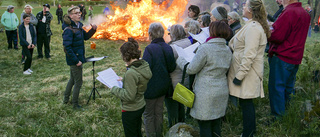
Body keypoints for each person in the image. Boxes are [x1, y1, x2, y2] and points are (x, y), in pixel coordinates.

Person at [177, 21, 232, 137]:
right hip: (221, 89)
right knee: (216, 123)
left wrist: (181, 60)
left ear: (213, 32)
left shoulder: (205, 48)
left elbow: (191, 69)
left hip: (205, 92)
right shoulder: (227, 49)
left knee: (205, 124)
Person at [227, 0, 269, 136]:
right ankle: (249, 132)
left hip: (248, 73)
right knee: (245, 103)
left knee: (246, 103)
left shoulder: (254, 29)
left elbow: (249, 55)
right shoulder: (250, 25)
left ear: (250, 9)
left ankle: (248, 133)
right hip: (245, 71)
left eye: (245, 5)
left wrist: (239, 76)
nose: (243, 7)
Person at [268, 0, 310, 118]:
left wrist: (268, 30)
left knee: (277, 87)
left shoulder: (289, 12)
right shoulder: (304, 13)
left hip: (283, 56)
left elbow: (277, 36)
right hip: (295, 56)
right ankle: (286, 112)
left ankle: (278, 117)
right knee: (287, 87)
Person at [110, 38, 152, 137]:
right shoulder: (144, 65)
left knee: (131, 134)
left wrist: (114, 89)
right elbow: (138, 82)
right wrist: (124, 79)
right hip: (140, 104)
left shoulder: (131, 73)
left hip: (130, 109)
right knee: (137, 131)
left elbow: (129, 96)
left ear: (126, 56)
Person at [142, 22, 176, 137]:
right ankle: (159, 134)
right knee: (159, 113)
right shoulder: (168, 47)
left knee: (148, 114)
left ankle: (151, 135)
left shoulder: (149, 49)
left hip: (151, 88)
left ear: (150, 34)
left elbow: (146, 70)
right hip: (164, 86)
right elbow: (172, 67)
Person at [62, 6, 97, 109]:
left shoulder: (78, 26)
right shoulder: (69, 29)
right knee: (78, 82)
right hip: (75, 59)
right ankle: (75, 104)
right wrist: (76, 60)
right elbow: (67, 47)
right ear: (71, 16)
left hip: (78, 58)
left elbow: (85, 37)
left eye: (79, 13)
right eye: (76, 13)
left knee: (72, 79)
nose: (79, 14)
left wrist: (93, 30)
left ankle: (66, 99)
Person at [166, 24, 192, 128]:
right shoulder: (188, 42)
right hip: (185, 79)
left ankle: (174, 128)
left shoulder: (172, 48)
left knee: (172, 106)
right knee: (181, 103)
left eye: (169, 33)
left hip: (174, 80)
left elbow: (169, 66)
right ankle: (182, 124)